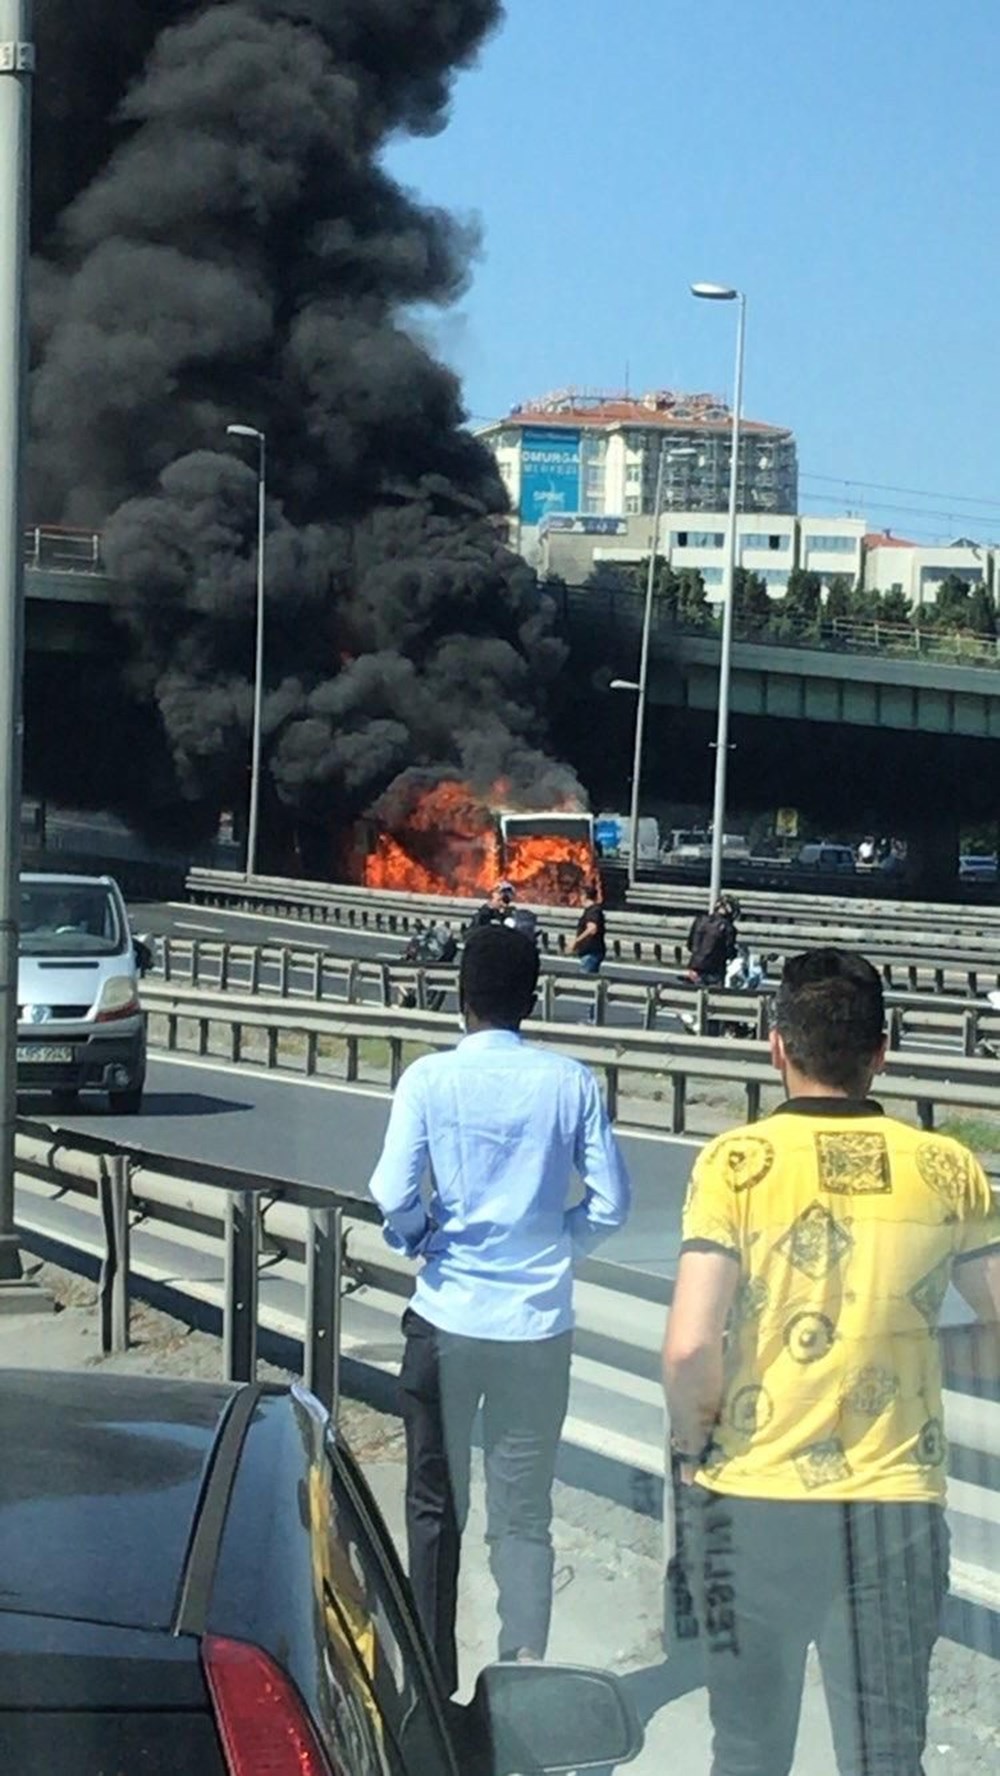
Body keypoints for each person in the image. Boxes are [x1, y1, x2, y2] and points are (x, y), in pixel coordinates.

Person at [663, 947, 1000, 1776]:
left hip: (752, 1504)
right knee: (885, 1757)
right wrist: (917, 1350)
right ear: (882, 1052)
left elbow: (690, 1345)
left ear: (777, 1046)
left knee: (747, 1750)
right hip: (892, 1508)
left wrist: (689, 1446)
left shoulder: (737, 1164)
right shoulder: (946, 1167)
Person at [368, 924, 630, 1696]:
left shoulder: (428, 1080)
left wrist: (422, 1238)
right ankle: (524, 1676)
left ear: (461, 998)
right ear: (534, 998)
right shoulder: (572, 1082)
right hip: (535, 1328)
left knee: (433, 1508)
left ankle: (431, 1682)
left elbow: (391, 1193)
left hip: (447, 1318)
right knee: (524, 1510)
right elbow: (611, 1204)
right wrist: (557, 1243)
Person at [686, 894, 739, 985]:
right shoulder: (728, 928)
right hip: (714, 971)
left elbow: (689, 945)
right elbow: (729, 951)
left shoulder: (700, 920)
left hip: (694, 967)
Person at [569, 879, 606, 975]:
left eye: (580, 895)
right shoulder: (591, 910)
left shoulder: (593, 911)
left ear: (584, 896)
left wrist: (576, 941)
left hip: (591, 953)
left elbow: (592, 928)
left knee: (584, 979)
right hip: (589, 952)